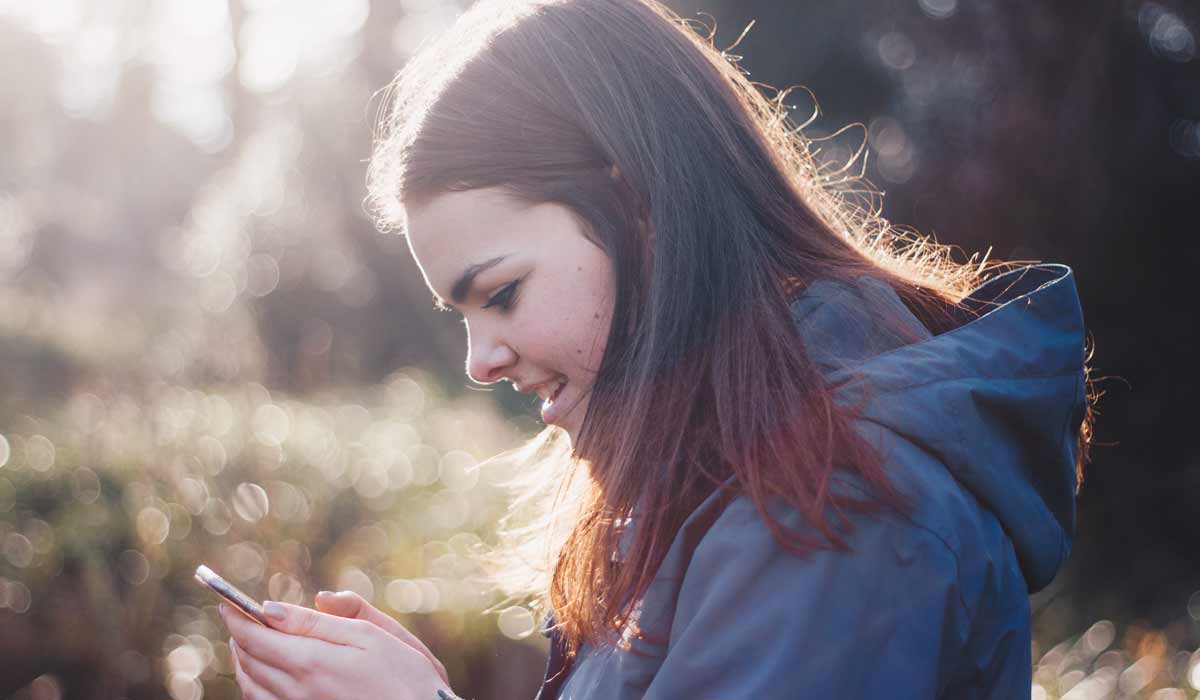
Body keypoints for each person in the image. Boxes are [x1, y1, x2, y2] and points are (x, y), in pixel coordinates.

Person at [218, 0, 1097, 698]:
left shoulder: (841, 505)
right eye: (462, 314)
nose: (479, 359)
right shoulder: (721, 476)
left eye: (502, 294)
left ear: (639, 208)